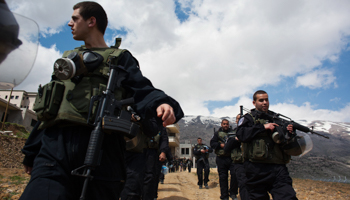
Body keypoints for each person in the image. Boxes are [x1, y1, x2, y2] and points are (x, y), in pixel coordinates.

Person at [19, 2, 184, 200]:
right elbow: (49, 107)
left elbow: (142, 89)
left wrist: (162, 103)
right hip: (54, 147)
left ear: (91, 21)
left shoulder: (119, 58)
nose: (69, 23)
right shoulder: (67, 61)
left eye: (75, 18)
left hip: (102, 147)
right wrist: (31, 150)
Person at [236, 90, 297, 200]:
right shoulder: (248, 118)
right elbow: (241, 134)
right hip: (256, 168)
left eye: (266, 100)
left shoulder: (276, 118)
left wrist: (289, 132)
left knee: (288, 196)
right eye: (261, 100)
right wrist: (263, 127)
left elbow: (286, 141)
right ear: (254, 103)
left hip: (278, 167)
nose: (264, 102)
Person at [210, 119, 238, 200]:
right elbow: (212, 144)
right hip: (221, 158)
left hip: (232, 158)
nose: (226, 125)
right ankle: (224, 195)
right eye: (224, 124)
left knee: (235, 175)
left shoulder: (232, 133)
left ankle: (233, 193)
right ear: (221, 125)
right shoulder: (217, 134)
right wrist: (221, 145)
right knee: (223, 177)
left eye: (227, 124)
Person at [224, 114, 249, 200]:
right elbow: (226, 148)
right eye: (239, 119)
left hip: (250, 161)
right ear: (236, 121)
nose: (241, 121)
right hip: (237, 161)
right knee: (240, 181)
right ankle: (233, 193)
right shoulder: (233, 133)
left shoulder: (251, 131)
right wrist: (236, 139)